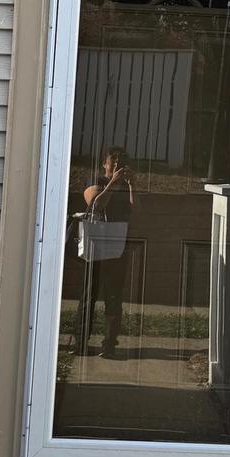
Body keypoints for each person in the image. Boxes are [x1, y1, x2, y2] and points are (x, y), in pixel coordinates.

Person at [83, 147, 133, 358]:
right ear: (105, 164)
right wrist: (113, 183)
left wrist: (132, 185)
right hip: (96, 242)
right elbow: (96, 205)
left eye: (120, 163)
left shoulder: (126, 185)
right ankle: (81, 342)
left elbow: (137, 209)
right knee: (90, 293)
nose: (116, 166)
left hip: (117, 242)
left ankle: (109, 344)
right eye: (114, 162)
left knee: (114, 295)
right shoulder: (96, 181)